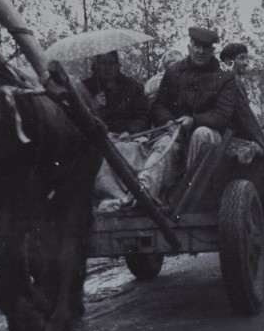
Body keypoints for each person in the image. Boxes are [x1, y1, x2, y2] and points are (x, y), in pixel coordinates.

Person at [136, 26, 237, 203]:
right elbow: (159, 105)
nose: (200, 51)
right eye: (197, 46)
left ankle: (187, 199)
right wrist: (168, 122)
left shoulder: (224, 78)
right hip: (176, 132)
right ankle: (143, 196)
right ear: (189, 46)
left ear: (212, 51)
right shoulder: (173, 72)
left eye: (205, 48)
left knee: (201, 134)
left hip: (209, 136)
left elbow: (223, 114)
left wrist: (195, 120)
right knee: (165, 145)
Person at [82, 50, 149, 135]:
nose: (107, 67)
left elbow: (143, 116)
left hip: (129, 136)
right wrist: (93, 105)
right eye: (103, 63)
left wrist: (129, 131)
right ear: (96, 66)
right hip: (98, 136)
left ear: (117, 65)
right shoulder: (85, 87)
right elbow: (78, 120)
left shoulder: (132, 85)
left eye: (111, 63)